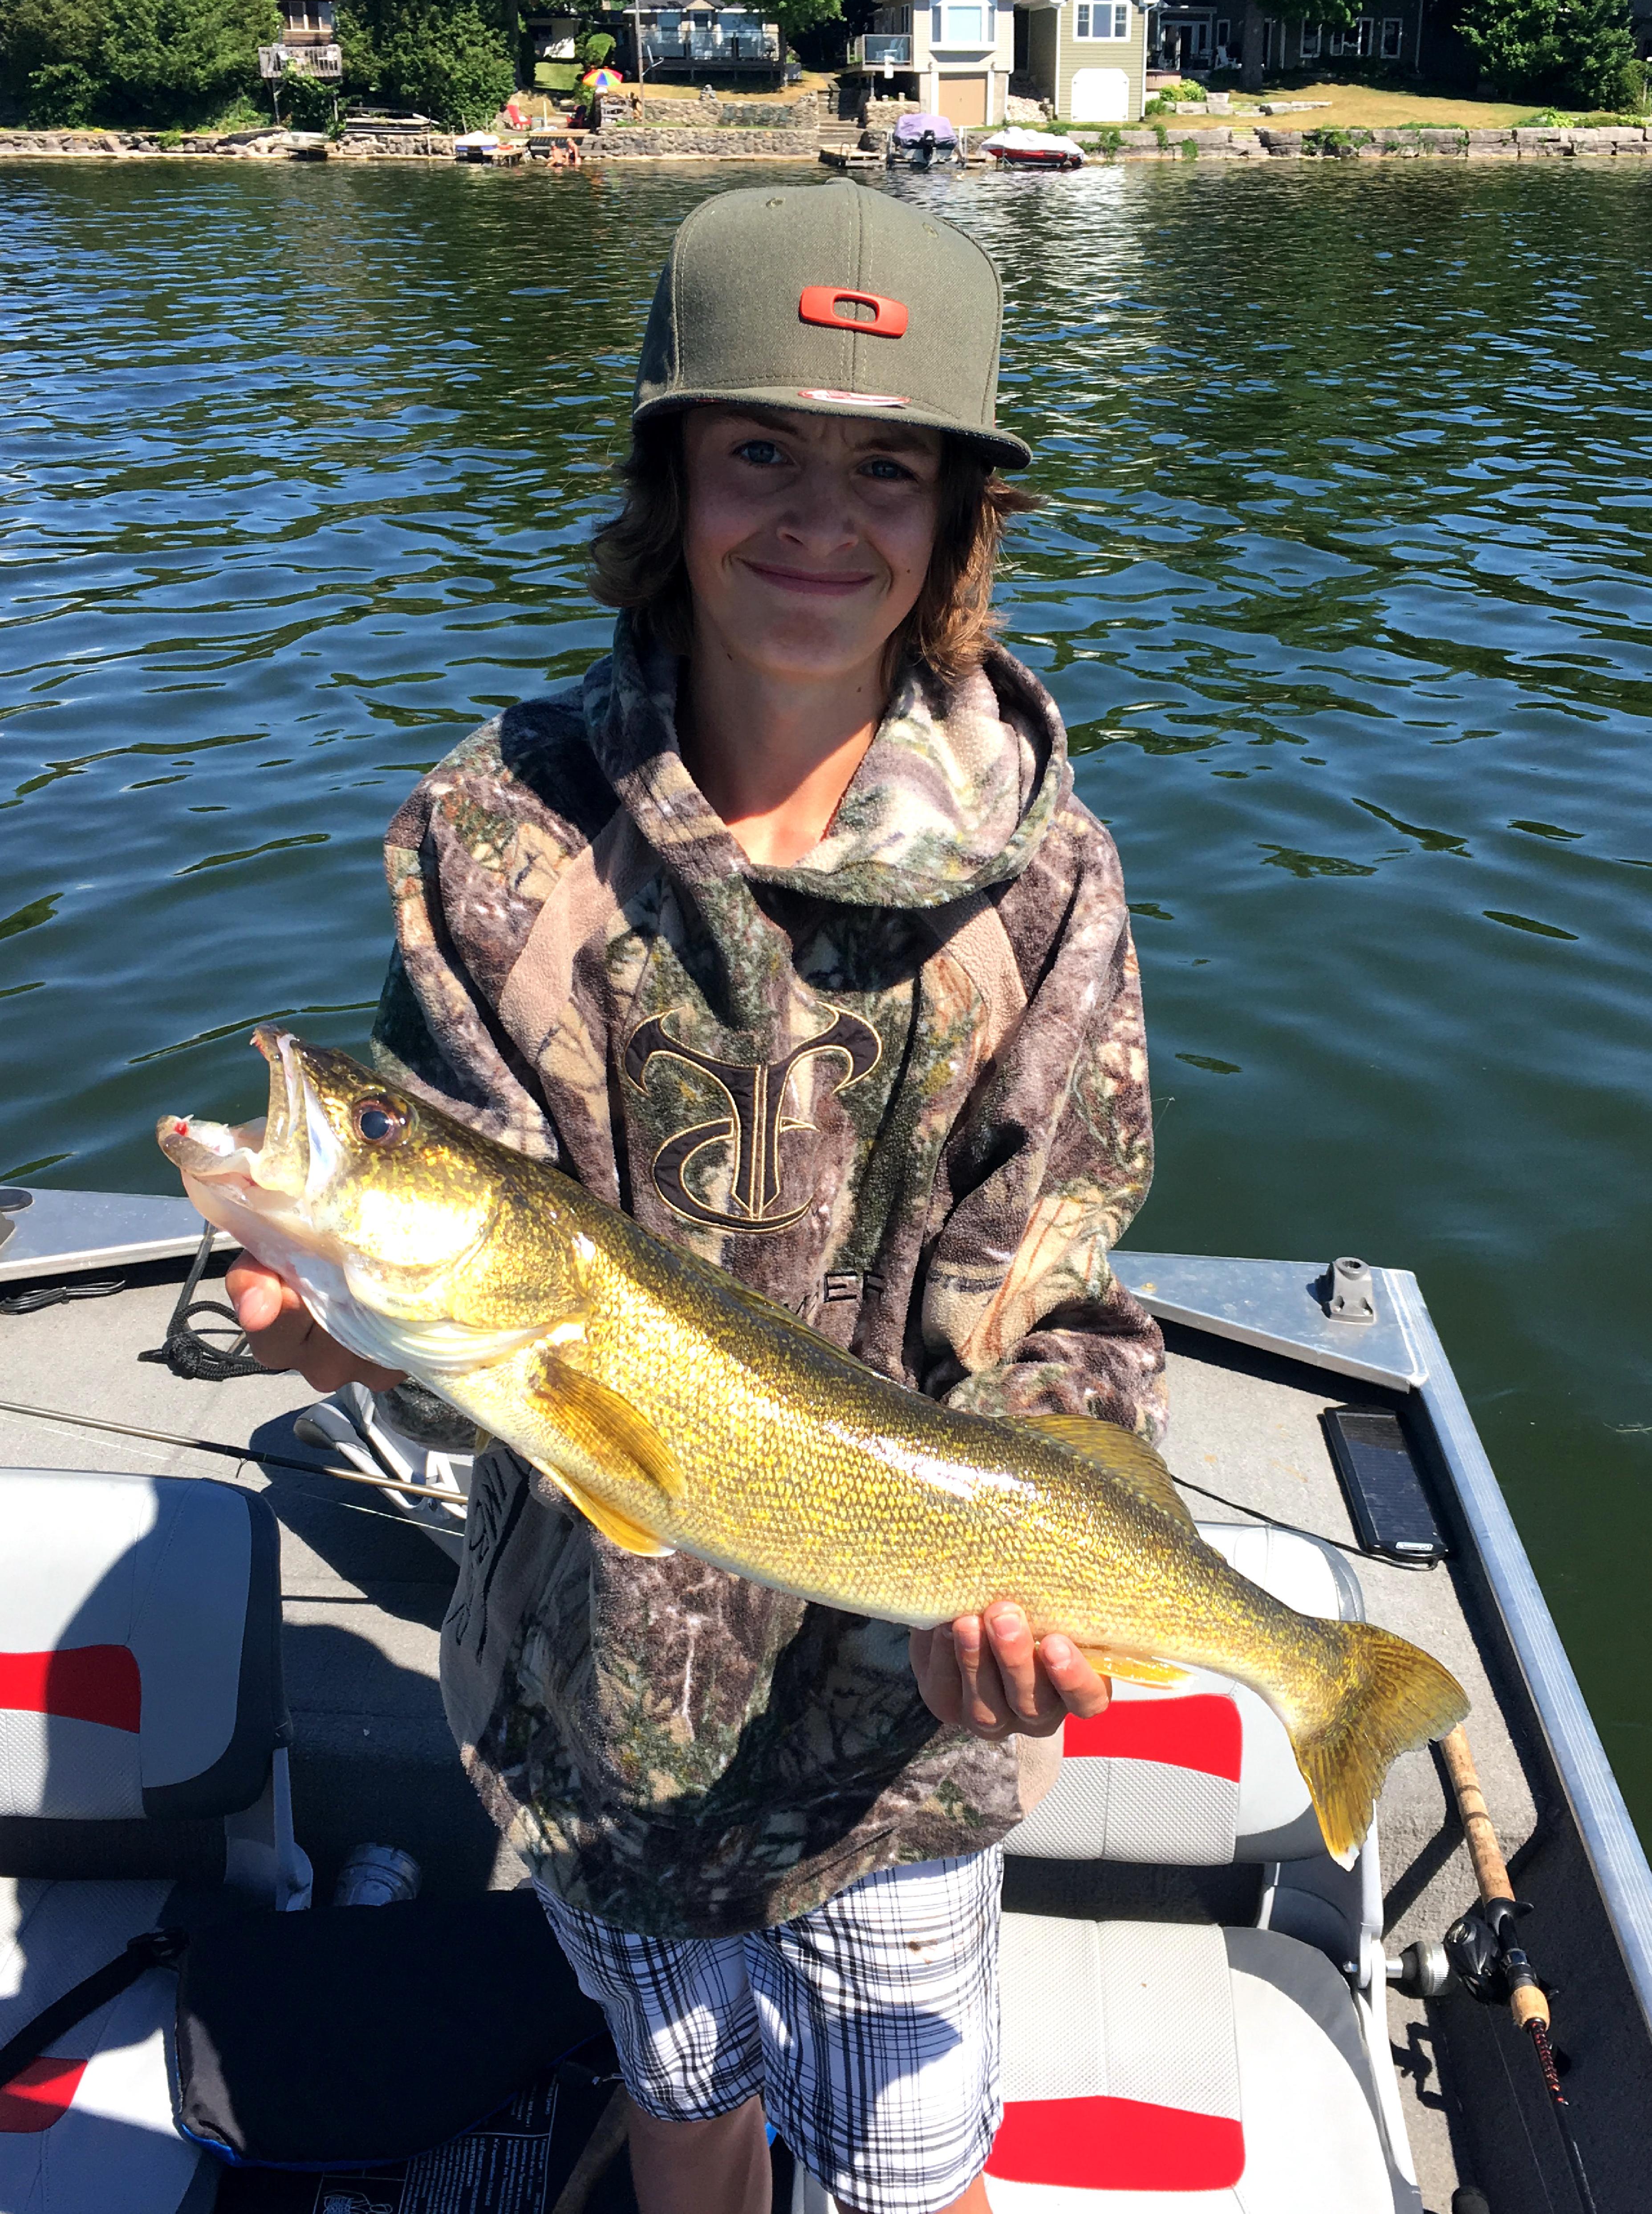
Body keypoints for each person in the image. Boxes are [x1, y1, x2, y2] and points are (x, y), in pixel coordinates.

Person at [227, 181, 1165, 2214]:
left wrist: (1033, 1567)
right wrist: (336, 1322)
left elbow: (1063, 1303)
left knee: (911, 2166)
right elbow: (462, 1249)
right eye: (759, 451)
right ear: (668, 478)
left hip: (900, 1752)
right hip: (589, 1723)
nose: (818, 518)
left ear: (952, 523)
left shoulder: (1050, 876)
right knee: (682, 2106)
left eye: (884, 468)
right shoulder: (490, 837)